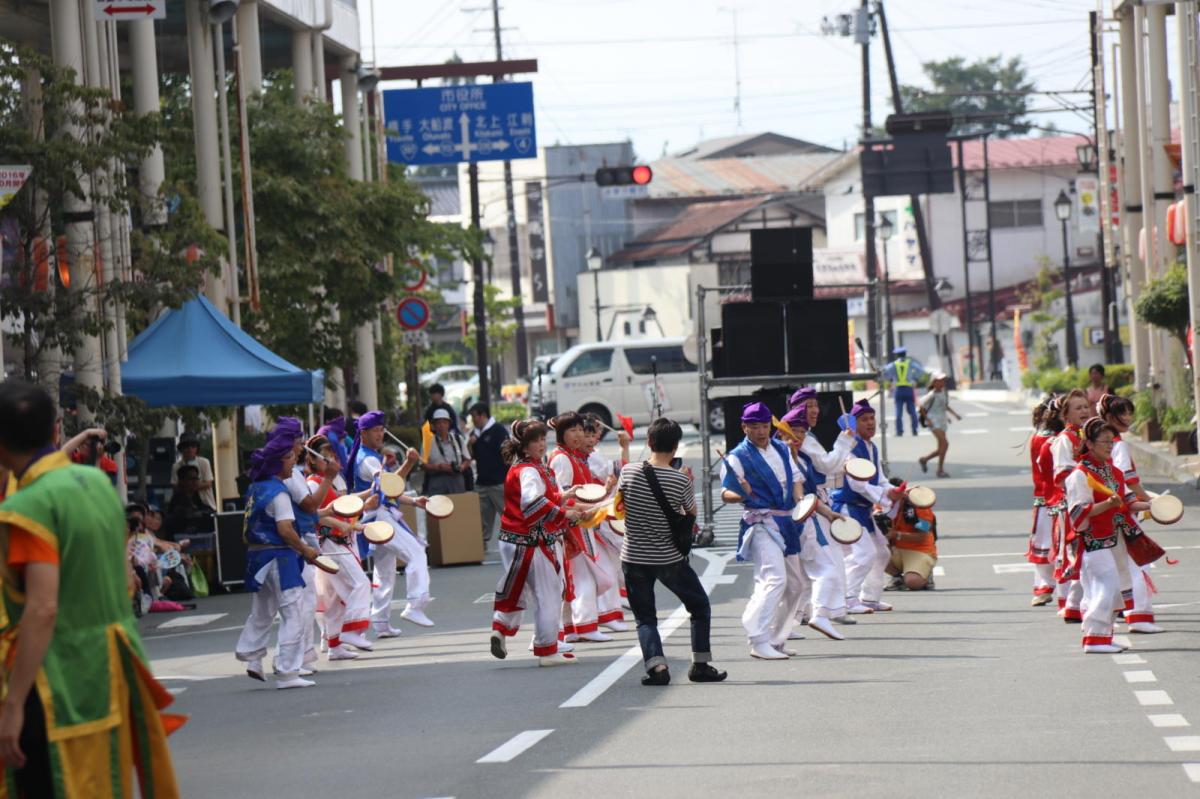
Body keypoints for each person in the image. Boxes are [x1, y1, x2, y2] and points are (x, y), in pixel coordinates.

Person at [0, 380, 183, 795]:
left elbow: (43, 608)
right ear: (56, 430)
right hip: (113, 671)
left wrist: (12, 706)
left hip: (54, 682)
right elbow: (125, 581)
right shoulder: (97, 486)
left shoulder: (25, 508)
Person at [619, 418, 727, 686]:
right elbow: (691, 513)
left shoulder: (629, 472)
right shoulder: (679, 480)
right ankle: (700, 664)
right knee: (699, 605)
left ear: (649, 442)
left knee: (645, 617)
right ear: (676, 447)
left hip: (633, 556)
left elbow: (620, 504)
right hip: (668, 558)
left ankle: (657, 668)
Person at [489, 419, 590, 666]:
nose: (542, 444)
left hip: (514, 539)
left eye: (543, 438)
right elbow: (531, 502)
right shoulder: (530, 471)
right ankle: (547, 650)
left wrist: (561, 496)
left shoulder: (524, 467)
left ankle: (500, 629)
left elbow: (537, 498)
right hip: (532, 542)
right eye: (535, 440)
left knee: (519, 587)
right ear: (524, 446)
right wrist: (564, 513)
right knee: (549, 593)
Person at [233, 431, 321, 689]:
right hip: (279, 558)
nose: (294, 461)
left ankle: (252, 657)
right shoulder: (279, 493)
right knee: (293, 612)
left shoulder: (257, 488)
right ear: (276, 463)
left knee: (262, 611)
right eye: (289, 457)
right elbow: (285, 529)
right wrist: (305, 549)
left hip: (258, 557)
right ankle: (287, 672)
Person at [720, 401, 806, 660]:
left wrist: (802, 501)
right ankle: (757, 637)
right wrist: (741, 494)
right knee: (775, 579)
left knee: (796, 585)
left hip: (787, 520)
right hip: (760, 522)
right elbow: (725, 493)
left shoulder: (781, 448)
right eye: (755, 426)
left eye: (765, 425)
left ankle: (776, 638)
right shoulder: (737, 456)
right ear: (744, 426)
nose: (761, 431)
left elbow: (797, 480)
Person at [1065, 418, 1150, 653]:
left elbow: (1127, 500)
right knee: (1106, 586)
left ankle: (1104, 636)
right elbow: (1078, 513)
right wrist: (1107, 505)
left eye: (1111, 441)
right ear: (1089, 444)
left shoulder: (1112, 471)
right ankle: (1093, 639)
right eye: (1104, 441)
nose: (1110, 446)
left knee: (1116, 588)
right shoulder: (1080, 476)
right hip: (1093, 540)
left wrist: (1151, 506)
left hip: (1115, 538)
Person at [347, 411, 433, 634]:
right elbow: (388, 485)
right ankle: (415, 604)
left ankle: (381, 623)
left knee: (384, 572)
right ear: (363, 433)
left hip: (376, 519)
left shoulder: (368, 455)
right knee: (416, 554)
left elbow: (387, 492)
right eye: (376, 430)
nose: (380, 433)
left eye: (382, 429)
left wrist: (414, 501)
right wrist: (409, 463)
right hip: (381, 519)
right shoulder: (367, 459)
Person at [778, 405, 851, 640]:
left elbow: (808, 493)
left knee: (797, 582)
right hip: (785, 525)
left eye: (801, 432)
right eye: (793, 431)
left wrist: (828, 514)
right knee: (822, 572)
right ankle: (818, 615)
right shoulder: (779, 459)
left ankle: (781, 629)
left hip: (801, 521)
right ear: (781, 433)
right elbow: (799, 495)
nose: (797, 437)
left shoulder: (800, 461)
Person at [302, 435, 375, 660]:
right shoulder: (313, 483)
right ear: (312, 461)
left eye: (331, 454)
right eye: (324, 456)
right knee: (360, 583)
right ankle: (351, 630)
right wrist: (349, 525)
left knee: (334, 598)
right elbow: (319, 517)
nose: (330, 458)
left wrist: (370, 493)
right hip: (330, 542)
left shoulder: (337, 480)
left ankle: (334, 646)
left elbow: (346, 503)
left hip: (343, 538)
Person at [831, 399, 904, 614]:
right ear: (854, 424)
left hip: (862, 508)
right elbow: (857, 483)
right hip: (847, 506)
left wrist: (893, 491)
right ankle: (846, 598)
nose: (870, 423)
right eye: (864, 419)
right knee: (864, 554)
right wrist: (885, 496)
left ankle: (870, 598)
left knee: (882, 553)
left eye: (872, 418)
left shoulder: (871, 447)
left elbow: (879, 479)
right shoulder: (851, 447)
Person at [1099, 394, 1163, 634]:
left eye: (1128, 413)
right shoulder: (1118, 444)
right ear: (1107, 417)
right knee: (1137, 563)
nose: (1127, 418)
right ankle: (1137, 615)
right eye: (1121, 413)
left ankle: (1110, 614)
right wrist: (1149, 501)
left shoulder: (1095, 446)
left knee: (1111, 566)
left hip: (1105, 513)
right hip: (1124, 511)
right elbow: (1129, 479)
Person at [548, 412, 612, 643]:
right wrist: (593, 506)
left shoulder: (569, 456)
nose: (577, 435)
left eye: (579, 430)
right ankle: (585, 625)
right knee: (583, 578)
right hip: (570, 525)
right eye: (572, 430)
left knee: (573, 579)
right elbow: (563, 496)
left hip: (576, 522)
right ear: (560, 434)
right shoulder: (562, 459)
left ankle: (571, 628)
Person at [583, 412, 632, 632]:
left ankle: (596, 619)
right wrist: (624, 449)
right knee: (599, 573)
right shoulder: (578, 457)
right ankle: (586, 623)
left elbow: (614, 476)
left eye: (595, 433)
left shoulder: (589, 455)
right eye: (588, 433)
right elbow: (618, 472)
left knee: (606, 570)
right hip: (587, 518)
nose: (594, 438)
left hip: (594, 516)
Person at [1049, 388, 1091, 622]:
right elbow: (1063, 476)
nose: (1084, 411)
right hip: (1076, 506)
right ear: (1066, 414)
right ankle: (1077, 605)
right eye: (1078, 408)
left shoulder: (1089, 434)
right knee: (1082, 555)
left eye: (1086, 406)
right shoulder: (1065, 439)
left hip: (1092, 503)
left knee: (1088, 555)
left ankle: (1076, 605)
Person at [1026, 396, 1063, 606]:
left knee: (1045, 544)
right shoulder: (1055, 439)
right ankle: (1061, 595)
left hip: (1043, 498)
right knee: (1061, 546)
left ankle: (1044, 587)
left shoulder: (1039, 436)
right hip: (1056, 497)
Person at [468, 402, 509, 549]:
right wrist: (471, 444)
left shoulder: (498, 430)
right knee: (481, 517)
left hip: (498, 481)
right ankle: (481, 545)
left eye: (474, 416)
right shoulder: (475, 434)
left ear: (483, 415)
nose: (472, 420)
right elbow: (471, 456)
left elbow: (508, 455)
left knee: (507, 514)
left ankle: (516, 542)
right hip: (482, 482)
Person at [885, 480, 939, 591]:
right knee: (869, 552)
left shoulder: (918, 506)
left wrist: (896, 535)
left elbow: (922, 537)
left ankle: (925, 574)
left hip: (920, 550)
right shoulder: (881, 505)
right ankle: (897, 578)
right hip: (895, 550)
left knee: (913, 583)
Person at [917, 372, 962, 477]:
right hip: (933, 421)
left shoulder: (944, 392)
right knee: (945, 444)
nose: (942, 382)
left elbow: (945, 406)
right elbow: (921, 408)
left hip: (942, 421)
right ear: (934, 382)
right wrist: (928, 419)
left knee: (942, 447)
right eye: (939, 380)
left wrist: (955, 415)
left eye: (943, 380)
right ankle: (939, 469)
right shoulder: (931, 394)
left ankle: (926, 460)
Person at [424, 408, 470, 495]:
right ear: (433, 425)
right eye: (438, 423)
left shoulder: (458, 439)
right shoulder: (428, 442)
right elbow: (423, 464)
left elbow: (467, 459)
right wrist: (438, 467)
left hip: (457, 478)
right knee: (437, 507)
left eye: (444, 422)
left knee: (459, 506)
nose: (441, 426)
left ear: (449, 424)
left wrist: (462, 467)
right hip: (437, 480)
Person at [883, 346, 926, 436]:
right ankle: (915, 430)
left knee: (898, 412)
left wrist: (890, 379)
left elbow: (885, 372)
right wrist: (915, 379)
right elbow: (921, 371)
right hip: (909, 389)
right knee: (912, 411)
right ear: (905, 354)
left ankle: (899, 431)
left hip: (898, 390)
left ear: (897, 355)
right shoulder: (910, 363)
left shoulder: (894, 364)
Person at [171, 433, 217, 512]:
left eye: (193, 446)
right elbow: (175, 486)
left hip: (206, 504)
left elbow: (208, 483)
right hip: (184, 506)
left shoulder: (204, 462)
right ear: (181, 448)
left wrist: (189, 487)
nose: (190, 449)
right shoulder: (176, 466)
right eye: (186, 446)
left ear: (197, 448)